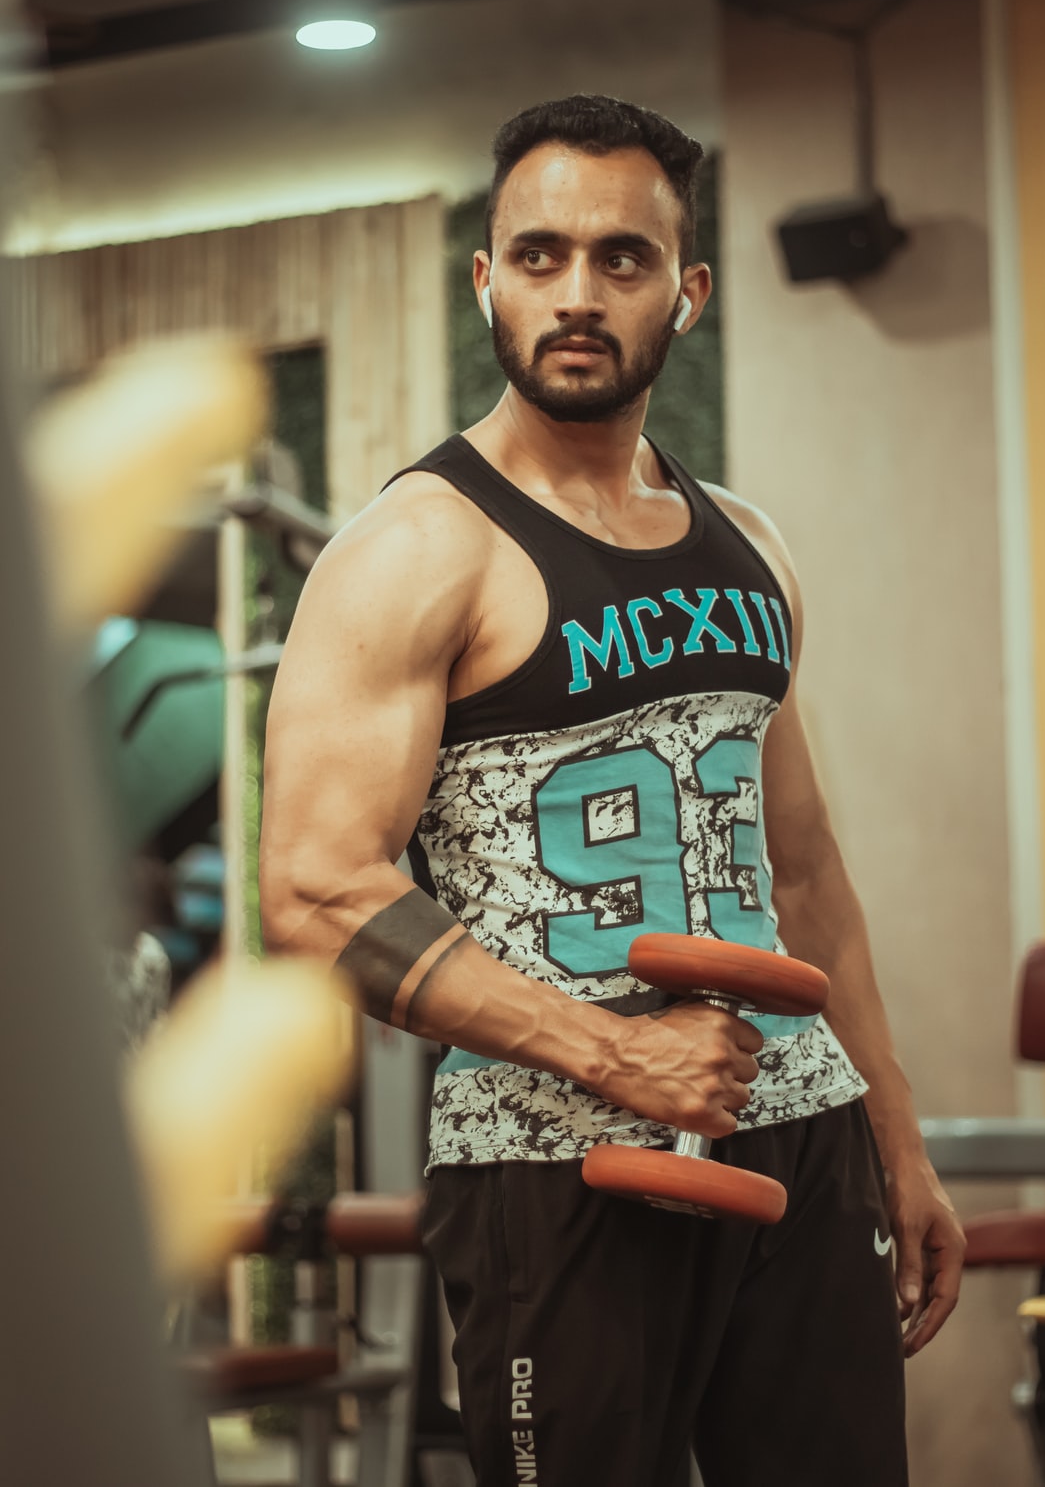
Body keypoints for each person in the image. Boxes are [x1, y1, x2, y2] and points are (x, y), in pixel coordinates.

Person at [259, 93, 965, 1487]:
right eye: (540, 255)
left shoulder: (748, 543)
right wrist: (615, 1056)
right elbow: (315, 893)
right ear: (487, 280)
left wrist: (896, 1130)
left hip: (800, 1142)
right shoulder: (416, 549)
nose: (577, 293)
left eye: (622, 258)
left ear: (686, 292)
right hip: (554, 1169)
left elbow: (804, 869)